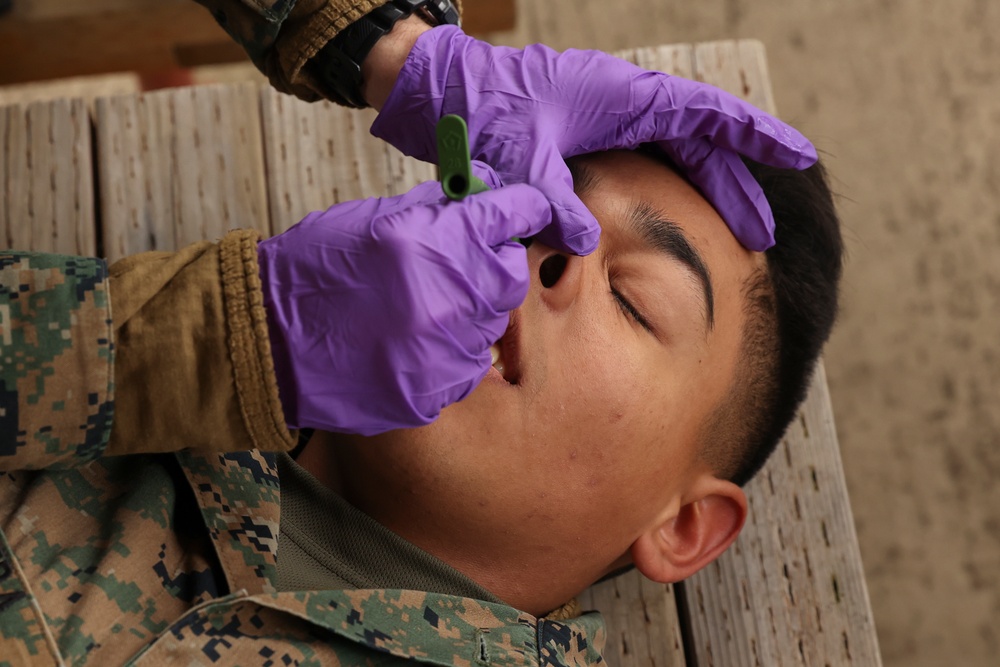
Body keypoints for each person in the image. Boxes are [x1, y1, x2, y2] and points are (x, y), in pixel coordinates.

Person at [0, 2, 840, 665]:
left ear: (683, 527)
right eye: (537, 196)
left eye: (632, 298)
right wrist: (225, 340)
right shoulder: (112, 367)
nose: (553, 250)